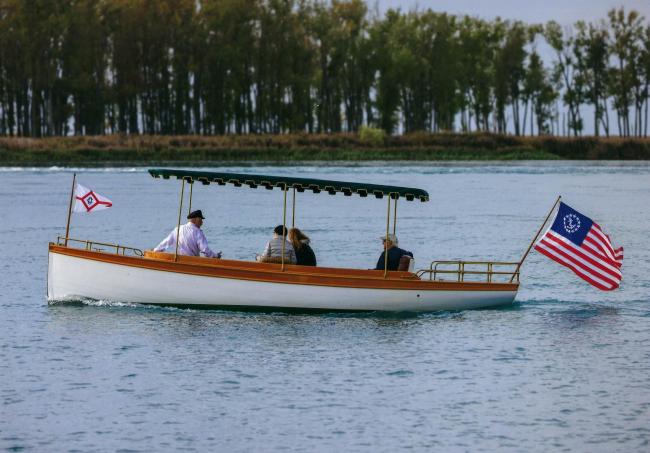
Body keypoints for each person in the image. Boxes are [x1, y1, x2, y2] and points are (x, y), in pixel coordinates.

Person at [153, 210, 222, 258]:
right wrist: (215, 256)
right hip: (192, 262)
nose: (202, 222)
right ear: (196, 219)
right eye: (201, 219)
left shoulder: (178, 229)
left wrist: (155, 251)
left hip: (179, 260)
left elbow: (166, 242)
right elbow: (204, 249)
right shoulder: (198, 232)